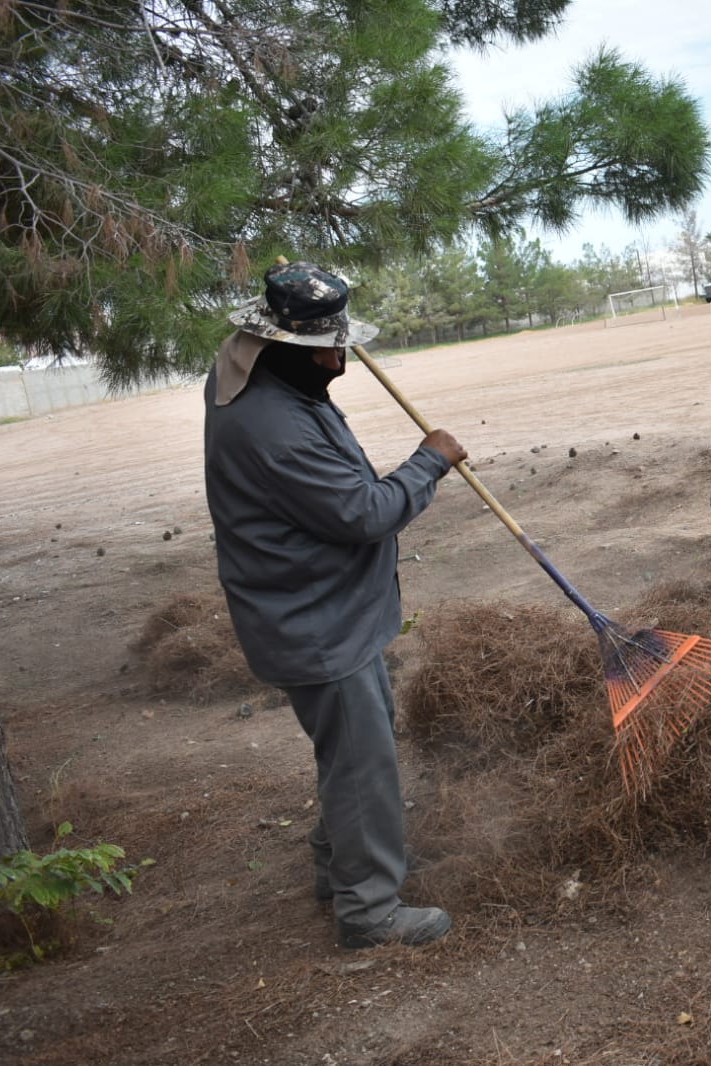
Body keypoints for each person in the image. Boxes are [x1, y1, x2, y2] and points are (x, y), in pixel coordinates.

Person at [203, 260, 467, 947]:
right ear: (281, 345)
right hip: (312, 620)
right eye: (325, 349)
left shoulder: (254, 367)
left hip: (326, 606)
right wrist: (430, 461)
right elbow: (363, 513)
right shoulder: (272, 427)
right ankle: (368, 910)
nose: (339, 362)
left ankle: (340, 862)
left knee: (354, 750)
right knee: (360, 762)